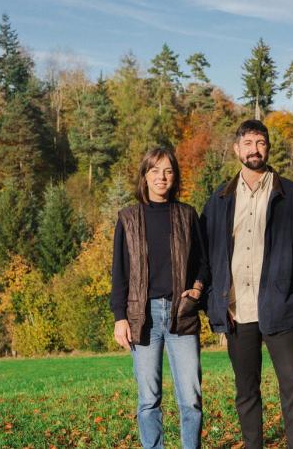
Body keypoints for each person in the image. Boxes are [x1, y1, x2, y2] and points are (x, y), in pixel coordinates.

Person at [201, 120, 293, 449]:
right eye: (248, 142)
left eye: (260, 142)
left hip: (281, 312)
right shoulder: (218, 201)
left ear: (268, 149)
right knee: (246, 393)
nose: (254, 149)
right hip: (236, 313)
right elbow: (204, 258)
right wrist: (213, 302)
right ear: (236, 149)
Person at [110, 146, 207, 449]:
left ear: (175, 176)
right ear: (145, 176)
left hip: (182, 314)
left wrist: (198, 288)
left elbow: (205, 262)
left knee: (191, 399)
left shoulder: (187, 215)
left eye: (168, 170)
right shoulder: (128, 219)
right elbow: (119, 272)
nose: (161, 177)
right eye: (155, 170)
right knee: (148, 400)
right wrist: (120, 318)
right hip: (143, 318)